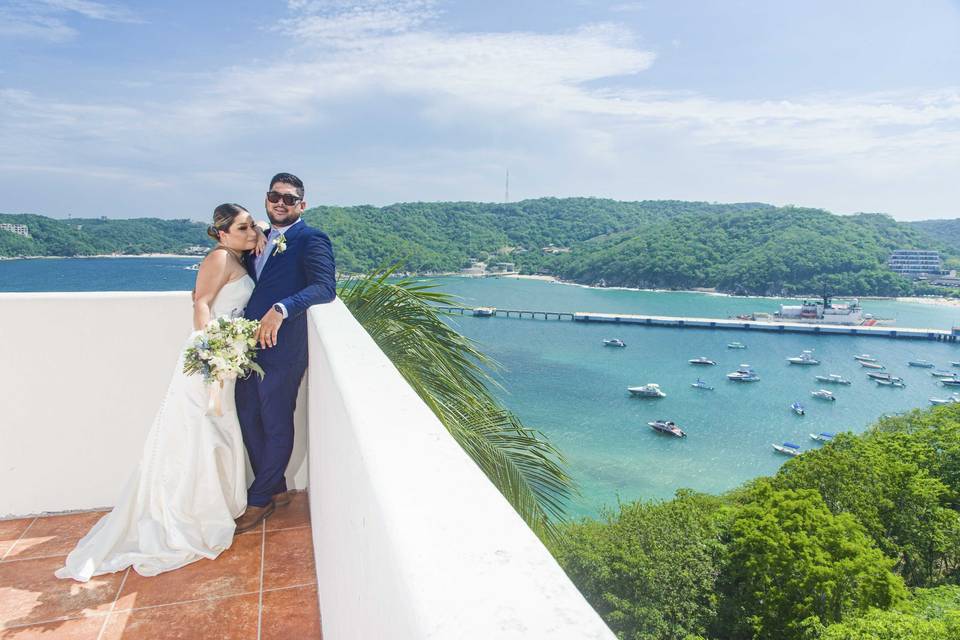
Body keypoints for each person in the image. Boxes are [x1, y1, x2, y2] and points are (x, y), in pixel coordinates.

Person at [57, 204, 266, 581]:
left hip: (226, 360)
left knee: (217, 430)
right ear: (222, 233)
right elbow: (201, 303)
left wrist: (260, 232)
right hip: (209, 360)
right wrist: (210, 352)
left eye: (252, 226)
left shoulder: (236, 254)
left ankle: (212, 507)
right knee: (199, 431)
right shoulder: (220, 257)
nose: (251, 232)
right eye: (243, 227)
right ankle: (189, 514)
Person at [233, 172, 336, 532]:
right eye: (275, 196)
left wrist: (282, 308)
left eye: (289, 199)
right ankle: (275, 489)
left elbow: (324, 288)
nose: (280, 203)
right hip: (247, 348)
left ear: (301, 205)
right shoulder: (257, 239)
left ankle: (258, 499)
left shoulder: (311, 239)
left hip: (284, 347)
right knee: (248, 417)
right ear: (266, 199)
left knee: (276, 421)